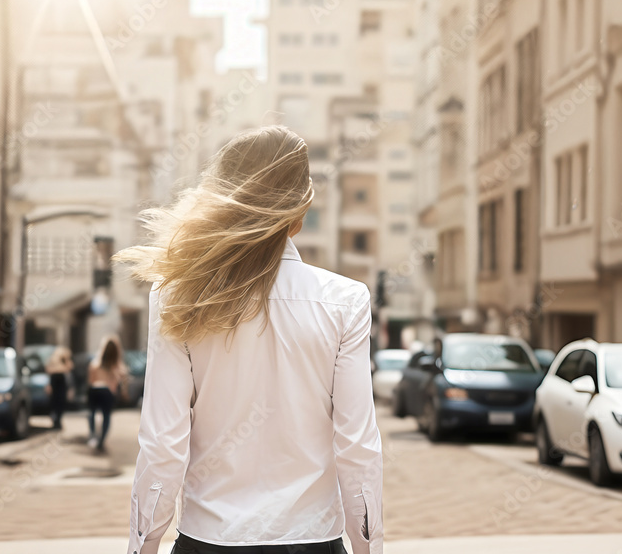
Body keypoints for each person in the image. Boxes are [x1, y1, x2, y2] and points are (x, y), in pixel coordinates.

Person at [115, 125, 383, 554]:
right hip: (312, 540)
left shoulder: (175, 295)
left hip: (209, 541)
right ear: (302, 211)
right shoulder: (346, 302)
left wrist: (141, 548)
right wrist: (370, 548)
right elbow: (357, 446)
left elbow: (163, 444)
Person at [87, 334, 127, 453]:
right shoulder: (117, 367)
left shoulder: (95, 364)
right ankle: (101, 440)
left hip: (95, 390)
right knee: (106, 416)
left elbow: (91, 380)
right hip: (107, 392)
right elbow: (120, 381)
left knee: (92, 413)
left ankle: (93, 435)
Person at [44, 346, 72, 430]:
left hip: (59, 382)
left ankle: (57, 420)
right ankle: (56, 420)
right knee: (56, 402)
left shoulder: (63, 360)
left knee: (58, 402)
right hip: (57, 381)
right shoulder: (54, 360)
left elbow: (69, 368)